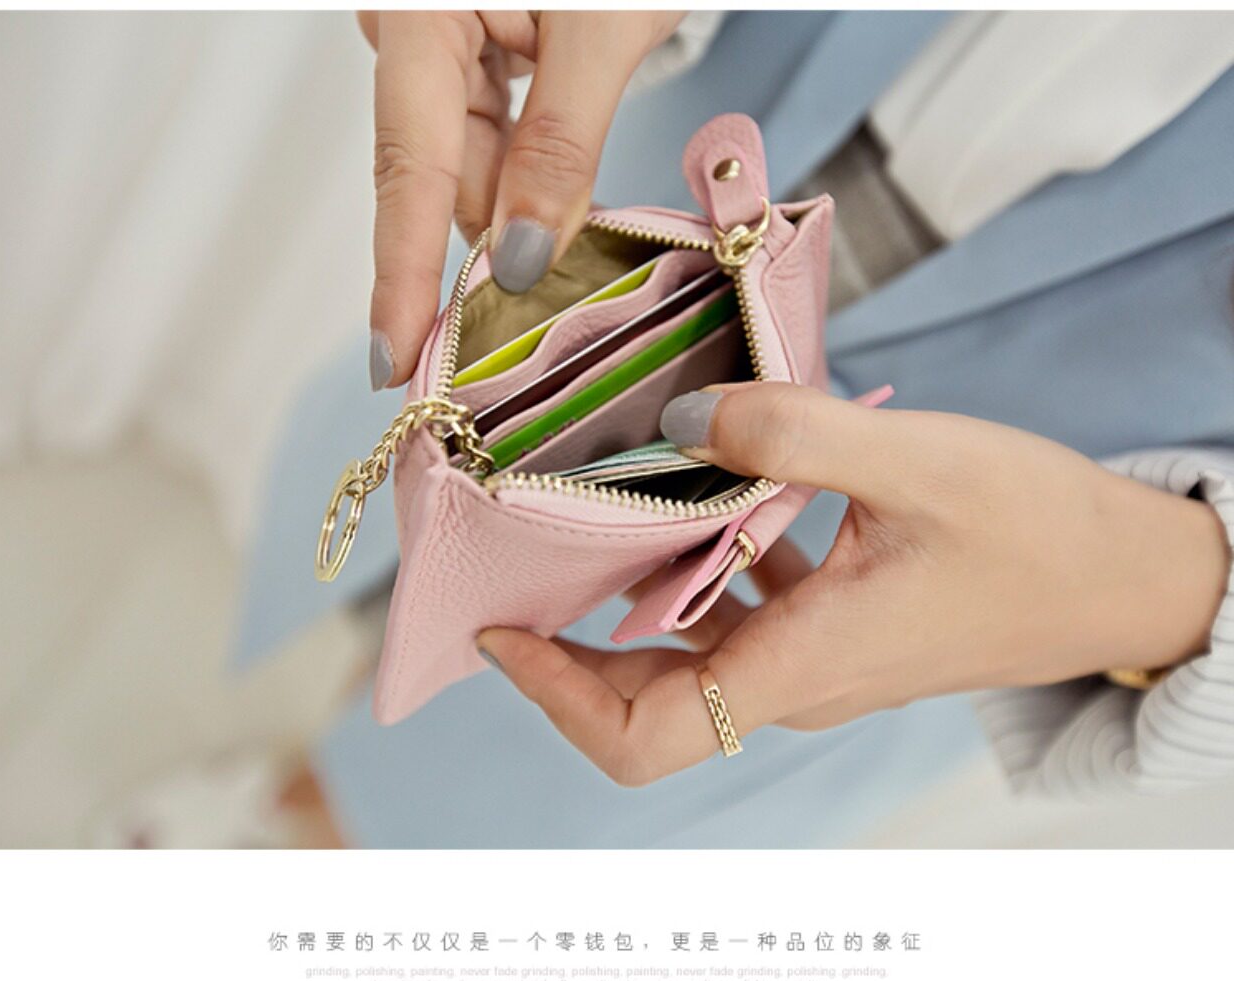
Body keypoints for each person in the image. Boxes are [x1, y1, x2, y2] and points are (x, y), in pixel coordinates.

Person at [282, 11, 1234, 844]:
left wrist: (1155, 587)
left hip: (977, 555)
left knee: (460, 811)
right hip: (670, 176)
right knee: (372, 590)